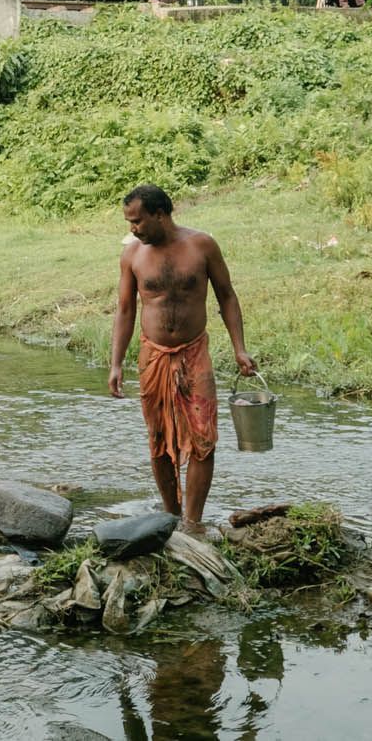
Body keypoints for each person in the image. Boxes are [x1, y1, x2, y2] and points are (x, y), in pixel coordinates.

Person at [108, 184, 255, 532]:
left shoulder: (201, 246)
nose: (133, 228)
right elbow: (126, 310)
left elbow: (227, 296)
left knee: (203, 438)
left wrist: (240, 347)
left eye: (138, 221)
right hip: (153, 356)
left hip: (194, 352)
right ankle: (169, 515)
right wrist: (116, 363)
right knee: (158, 437)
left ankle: (193, 522)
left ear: (160, 214)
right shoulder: (132, 255)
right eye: (129, 222)